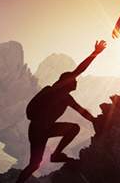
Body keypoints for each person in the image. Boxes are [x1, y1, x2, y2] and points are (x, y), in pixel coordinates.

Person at [16, 40, 107, 183]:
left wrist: (95, 120)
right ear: (67, 81)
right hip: (38, 129)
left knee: (73, 129)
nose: (76, 81)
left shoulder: (66, 97)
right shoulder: (57, 90)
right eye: (73, 79)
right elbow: (79, 70)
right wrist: (95, 53)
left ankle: (56, 155)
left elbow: (81, 111)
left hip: (44, 129)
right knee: (35, 163)